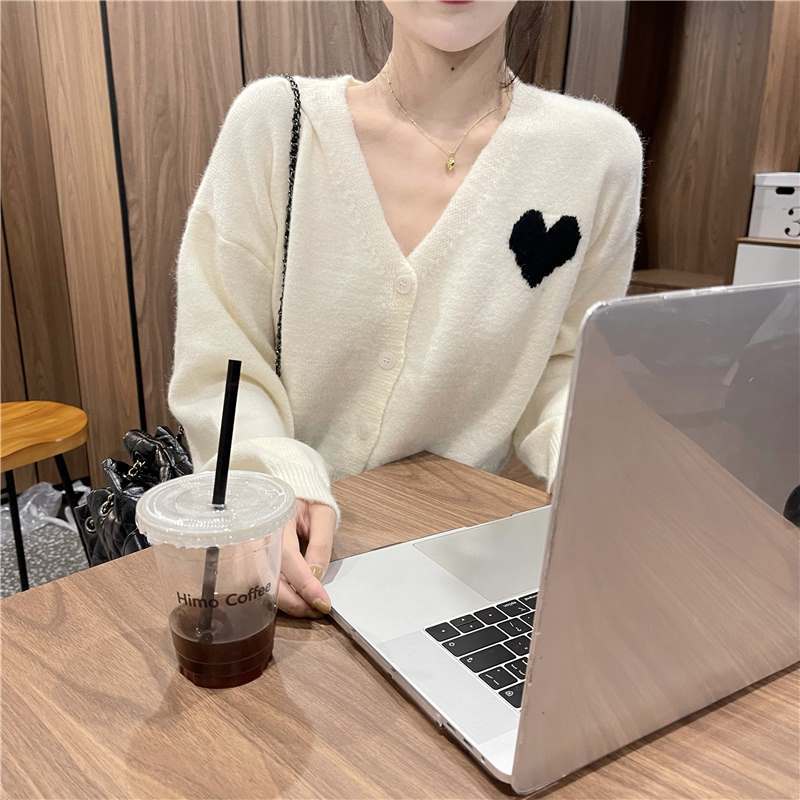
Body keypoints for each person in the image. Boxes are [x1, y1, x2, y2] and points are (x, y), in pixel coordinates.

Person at [168, 0, 643, 619]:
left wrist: (593, 459)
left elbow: (567, 361)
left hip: (468, 567)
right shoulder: (278, 124)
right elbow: (223, 362)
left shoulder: (598, 154)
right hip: (289, 558)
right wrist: (270, 481)